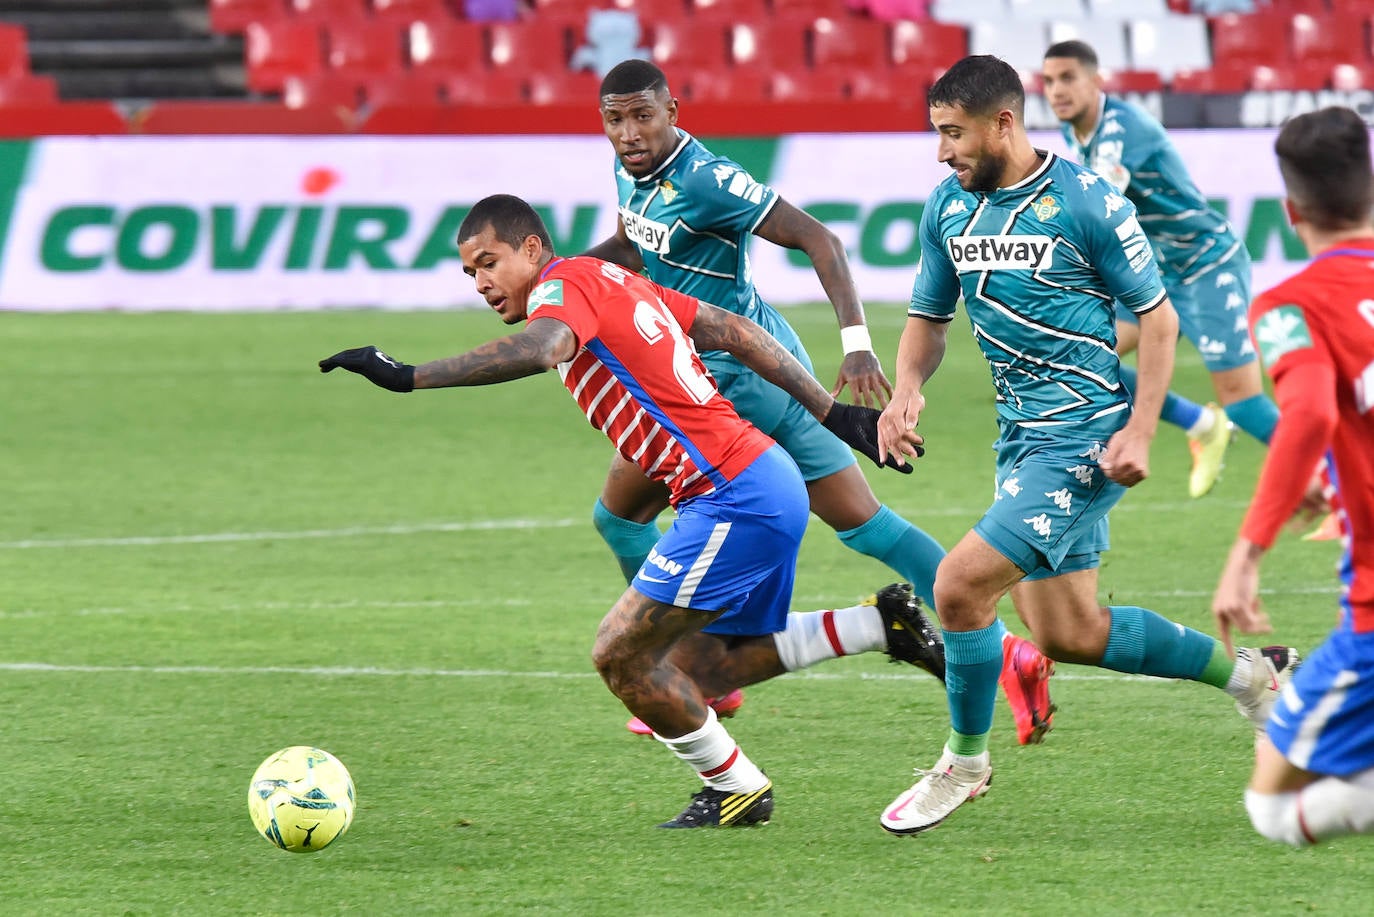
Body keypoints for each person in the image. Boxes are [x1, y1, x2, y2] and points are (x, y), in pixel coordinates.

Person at [319, 193, 947, 828]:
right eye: (469, 274)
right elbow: (736, 331)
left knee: (619, 655)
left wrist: (410, 375)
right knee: (705, 666)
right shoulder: (614, 278)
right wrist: (832, 413)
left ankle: (736, 788)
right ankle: (879, 625)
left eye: (489, 263)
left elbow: (542, 348)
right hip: (761, 480)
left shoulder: (562, 290)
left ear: (532, 249)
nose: (481, 283)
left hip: (731, 496)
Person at [873, 55, 1300, 836]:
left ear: (1003, 123)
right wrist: (906, 390)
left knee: (959, 587)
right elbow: (928, 322)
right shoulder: (947, 208)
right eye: (937, 135)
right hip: (1020, 436)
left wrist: (1140, 428)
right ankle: (1253, 679)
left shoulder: (1085, 201)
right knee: (1072, 632)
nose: (942, 152)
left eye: (952, 134)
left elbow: (1160, 320)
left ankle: (964, 762)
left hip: (1085, 435)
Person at [583, 58, 1056, 744]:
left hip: (727, 382)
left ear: (673, 113)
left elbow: (819, 237)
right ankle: (1009, 651)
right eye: (615, 120)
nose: (629, 132)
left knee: (620, 516)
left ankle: (671, 664)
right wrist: (564, 280)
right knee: (864, 520)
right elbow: (633, 245)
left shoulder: (705, 178)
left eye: (642, 116)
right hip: (760, 368)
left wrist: (858, 342)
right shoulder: (635, 172)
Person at [1212, 106, 1374, 847]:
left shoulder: (1287, 306)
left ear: (1290, 209)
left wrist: (1247, 553)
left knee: (1273, 807)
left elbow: (1306, 410)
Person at [1041, 40, 1281, 500]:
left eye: (1068, 78)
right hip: (1158, 272)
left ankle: (1339, 480)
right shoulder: (1078, 131)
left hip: (1206, 263)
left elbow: (1096, 213)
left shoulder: (1121, 132)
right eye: (1049, 81)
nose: (1056, 90)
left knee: (1245, 403)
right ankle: (1203, 425)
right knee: (1089, 360)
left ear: (1096, 80)